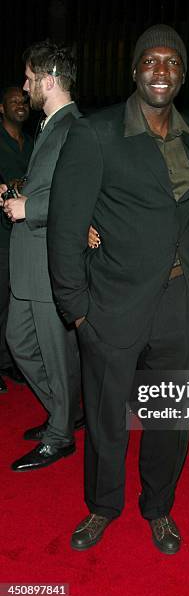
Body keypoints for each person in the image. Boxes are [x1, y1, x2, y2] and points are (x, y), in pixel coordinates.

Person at [47, 24, 189, 553]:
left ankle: (158, 508)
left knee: (169, 419)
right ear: (134, 70)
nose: (161, 71)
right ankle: (102, 506)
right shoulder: (95, 134)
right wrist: (76, 310)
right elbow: (66, 227)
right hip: (110, 304)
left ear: (183, 74)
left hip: (176, 302)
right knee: (105, 417)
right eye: (151, 60)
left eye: (172, 62)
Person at [0, 41, 83, 471]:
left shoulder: (73, 128)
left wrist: (28, 207)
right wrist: (18, 193)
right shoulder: (51, 125)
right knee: (20, 342)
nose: (26, 85)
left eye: (31, 78)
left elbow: (78, 198)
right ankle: (65, 413)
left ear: (48, 80)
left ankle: (61, 433)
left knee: (54, 350)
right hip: (31, 263)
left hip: (50, 262)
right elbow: (49, 185)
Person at [0, 85, 33, 393]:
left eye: (23, 100)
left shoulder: (34, 143)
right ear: (2, 108)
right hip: (0, 232)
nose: (20, 104)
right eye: (13, 101)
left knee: (14, 298)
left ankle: (10, 362)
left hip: (22, 234)